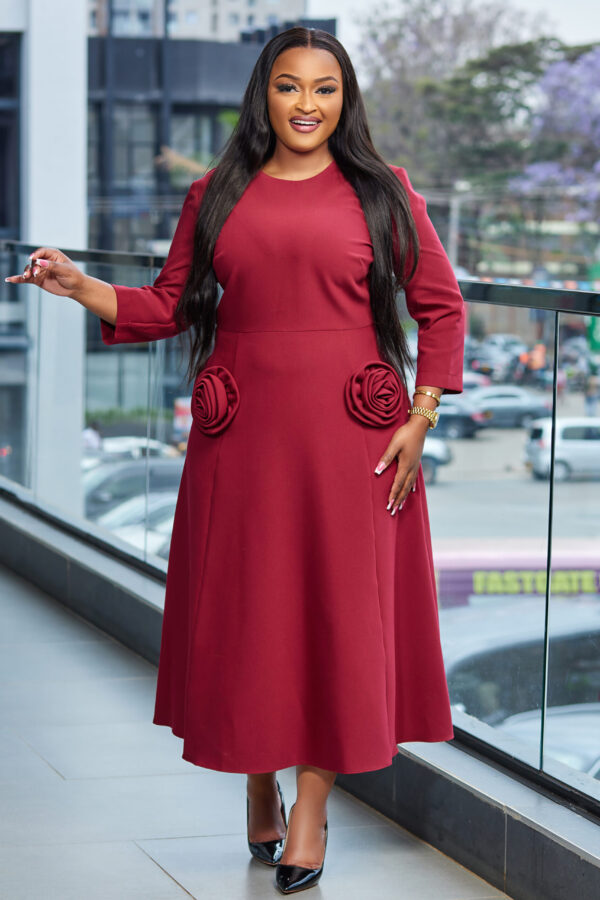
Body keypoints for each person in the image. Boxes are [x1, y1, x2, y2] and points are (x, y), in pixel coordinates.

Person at [5, 27, 465, 895]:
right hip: (243, 436)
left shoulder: (383, 192)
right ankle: (260, 772)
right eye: (289, 87)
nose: (306, 105)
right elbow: (169, 303)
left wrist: (421, 418)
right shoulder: (215, 193)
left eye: (324, 89)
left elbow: (441, 309)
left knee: (335, 618)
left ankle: (312, 809)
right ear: (264, 95)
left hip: (352, 441)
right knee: (256, 615)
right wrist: (77, 285)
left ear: (344, 99)